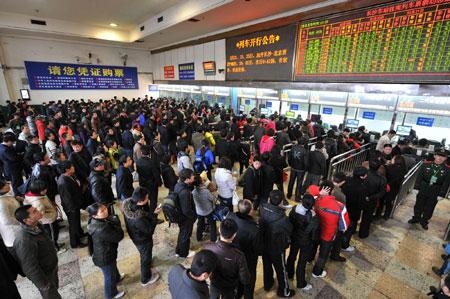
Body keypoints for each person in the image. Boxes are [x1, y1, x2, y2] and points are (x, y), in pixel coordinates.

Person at [14, 205, 61, 299]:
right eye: (34, 211)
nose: (39, 211)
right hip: (44, 276)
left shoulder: (37, 225)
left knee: (55, 290)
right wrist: (43, 284)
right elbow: (29, 267)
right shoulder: (24, 240)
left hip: (50, 268)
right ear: (26, 220)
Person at [259, 190, 295, 298]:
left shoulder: (262, 207)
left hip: (264, 244)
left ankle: (268, 284)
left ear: (269, 199)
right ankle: (284, 291)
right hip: (277, 247)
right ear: (280, 202)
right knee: (281, 269)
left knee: (266, 265)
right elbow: (290, 230)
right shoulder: (282, 218)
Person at [122, 187, 161, 287]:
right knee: (145, 258)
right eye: (147, 198)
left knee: (145, 255)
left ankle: (148, 263)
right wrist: (155, 216)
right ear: (140, 201)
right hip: (142, 239)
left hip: (135, 235)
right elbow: (149, 231)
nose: (148, 199)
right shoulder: (138, 219)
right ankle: (145, 279)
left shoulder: (129, 205)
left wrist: (151, 214)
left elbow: (145, 215)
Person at [203, 218, 251, 299]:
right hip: (230, 287)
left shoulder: (208, 247)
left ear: (219, 230)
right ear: (235, 234)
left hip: (214, 283)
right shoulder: (239, 255)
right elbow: (245, 279)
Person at [87, 203, 126, 299]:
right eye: (102, 211)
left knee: (113, 268)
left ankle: (117, 278)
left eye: (105, 208)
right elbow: (119, 236)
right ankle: (111, 294)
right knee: (109, 277)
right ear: (95, 215)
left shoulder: (94, 221)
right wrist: (117, 222)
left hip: (106, 253)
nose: (106, 211)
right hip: (105, 257)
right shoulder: (101, 228)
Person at [311, 181, 350, 278]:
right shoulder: (340, 206)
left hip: (315, 231)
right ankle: (317, 272)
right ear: (332, 191)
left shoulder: (314, 199)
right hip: (328, 235)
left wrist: (319, 195)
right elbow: (344, 226)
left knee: (313, 246)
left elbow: (311, 190)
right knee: (323, 254)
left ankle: (309, 259)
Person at [227, 199, 262, 298]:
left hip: (233, 255)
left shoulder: (230, 216)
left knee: (236, 277)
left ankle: (238, 294)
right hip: (248, 259)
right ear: (251, 211)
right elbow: (258, 250)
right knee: (249, 280)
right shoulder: (254, 229)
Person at [409, 149, 450, 230]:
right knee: (419, 204)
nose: (439, 158)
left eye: (442, 156)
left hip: (436, 189)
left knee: (430, 207)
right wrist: (416, 187)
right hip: (424, 187)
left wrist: (442, 194)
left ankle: (424, 221)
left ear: (445, 158)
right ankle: (416, 218)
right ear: (434, 156)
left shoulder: (447, 169)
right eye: (438, 155)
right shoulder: (425, 164)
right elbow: (419, 177)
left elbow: (446, 183)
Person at [286, 194, 320, 291]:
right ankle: (301, 283)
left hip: (294, 238)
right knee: (302, 262)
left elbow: (290, 222)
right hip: (306, 242)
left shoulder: (294, 209)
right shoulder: (313, 218)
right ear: (312, 206)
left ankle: (289, 273)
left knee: (292, 255)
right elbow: (314, 235)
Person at [24, 179, 62, 252]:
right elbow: (40, 216)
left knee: (51, 234)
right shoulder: (38, 203)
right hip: (48, 221)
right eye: (44, 190)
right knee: (52, 235)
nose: (46, 190)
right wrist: (52, 215)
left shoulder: (35, 194)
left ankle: (54, 244)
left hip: (48, 219)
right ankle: (55, 248)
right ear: (38, 190)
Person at [57, 161, 87, 248]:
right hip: (71, 208)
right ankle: (75, 243)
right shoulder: (63, 182)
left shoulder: (69, 176)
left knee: (77, 222)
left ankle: (80, 234)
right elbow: (67, 198)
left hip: (75, 205)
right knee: (73, 225)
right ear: (67, 169)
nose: (74, 167)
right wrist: (73, 209)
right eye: (72, 166)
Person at [340, 167, 368, 251]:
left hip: (343, 208)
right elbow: (361, 204)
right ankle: (345, 246)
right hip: (353, 212)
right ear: (362, 176)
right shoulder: (362, 188)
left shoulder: (347, 180)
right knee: (349, 229)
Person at [359, 159, 386, 238]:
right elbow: (381, 193)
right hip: (371, 201)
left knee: (354, 216)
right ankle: (363, 234)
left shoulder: (363, 174)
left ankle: (352, 231)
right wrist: (370, 198)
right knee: (367, 218)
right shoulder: (382, 179)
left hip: (360, 198)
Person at [376, 155, 407, 219]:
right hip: (395, 188)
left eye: (393, 159)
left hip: (386, 187)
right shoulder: (403, 169)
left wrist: (386, 164)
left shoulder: (389, 168)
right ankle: (386, 215)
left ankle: (378, 215)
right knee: (389, 202)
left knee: (382, 201)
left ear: (396, 160)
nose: (391, 160)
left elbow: (384, 171)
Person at [175, 168, 196, 258]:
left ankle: (178, 250)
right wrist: (193, 216)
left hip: (179, 214)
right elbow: (186, 210)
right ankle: (184, 253)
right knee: (186, 235)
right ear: (187, 179)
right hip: (185, 218)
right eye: (192, 176)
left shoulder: (178, 184)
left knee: (182, 233)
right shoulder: (185, 192)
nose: (194, 177)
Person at [192, 174, 217, 242]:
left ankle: (199, 237)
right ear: (201, 182)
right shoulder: (206, 191)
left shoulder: (193, 192)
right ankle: (213, 239)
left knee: (200, 224)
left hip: (199, 211)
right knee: (212, 224)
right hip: (208, 211)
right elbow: (212, 199)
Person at [0, 180, 21, 249]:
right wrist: (22, 221)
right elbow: (6, 220)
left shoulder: (6, 195)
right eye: (6, 184)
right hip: (14, 235)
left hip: (19, 231)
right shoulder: (1, 202)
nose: (8, 184)